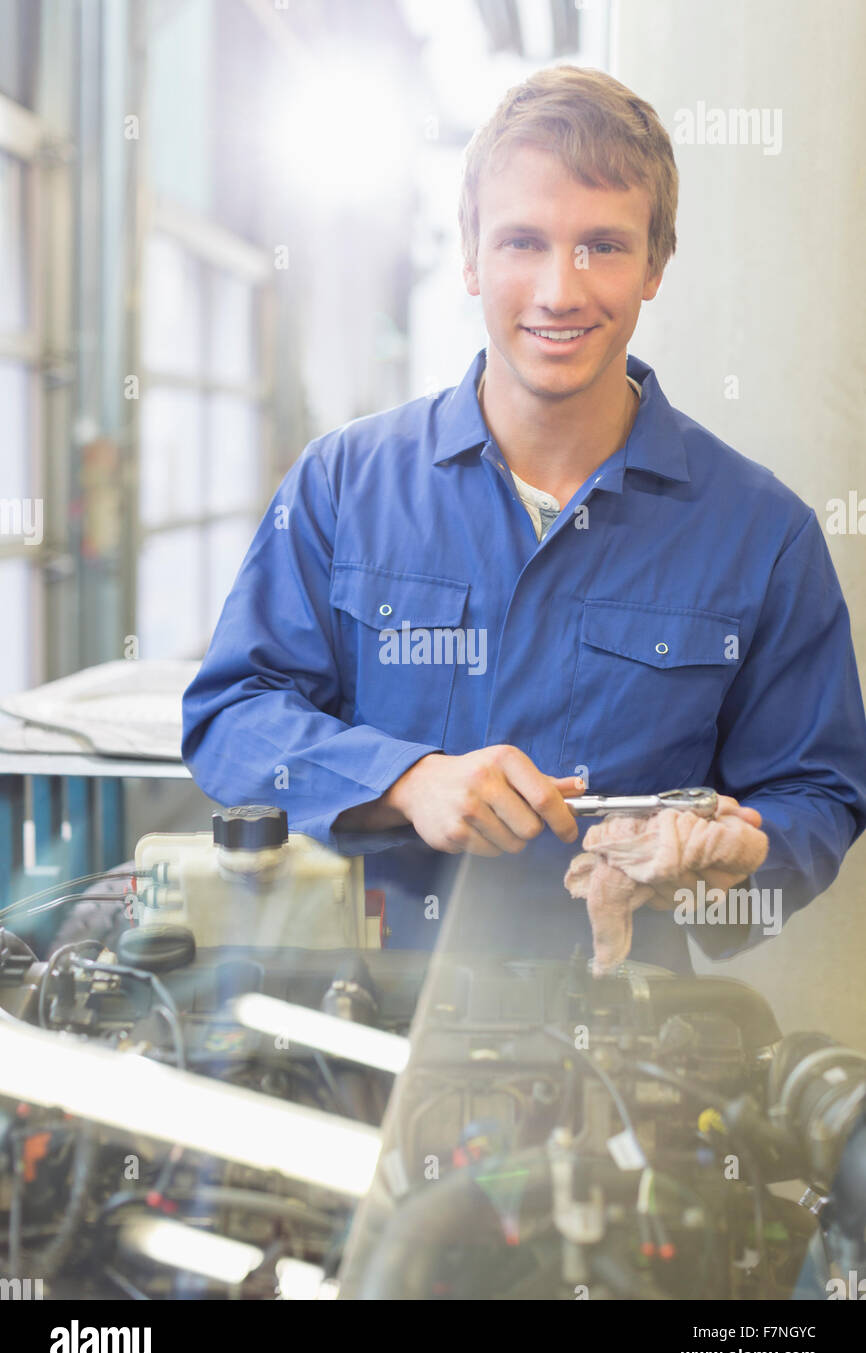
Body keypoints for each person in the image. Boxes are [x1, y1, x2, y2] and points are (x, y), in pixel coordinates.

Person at [181, 66, 866, 973]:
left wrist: (736, 857)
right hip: (362, 1021)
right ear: (469, 255)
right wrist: (406, 781)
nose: (559, 290)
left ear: (657, 264)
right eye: (521, 242)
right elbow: (231, 716)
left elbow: (817, 791)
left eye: (604, 247)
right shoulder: (344, 484)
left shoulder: (761, 533)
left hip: (629, 1042)